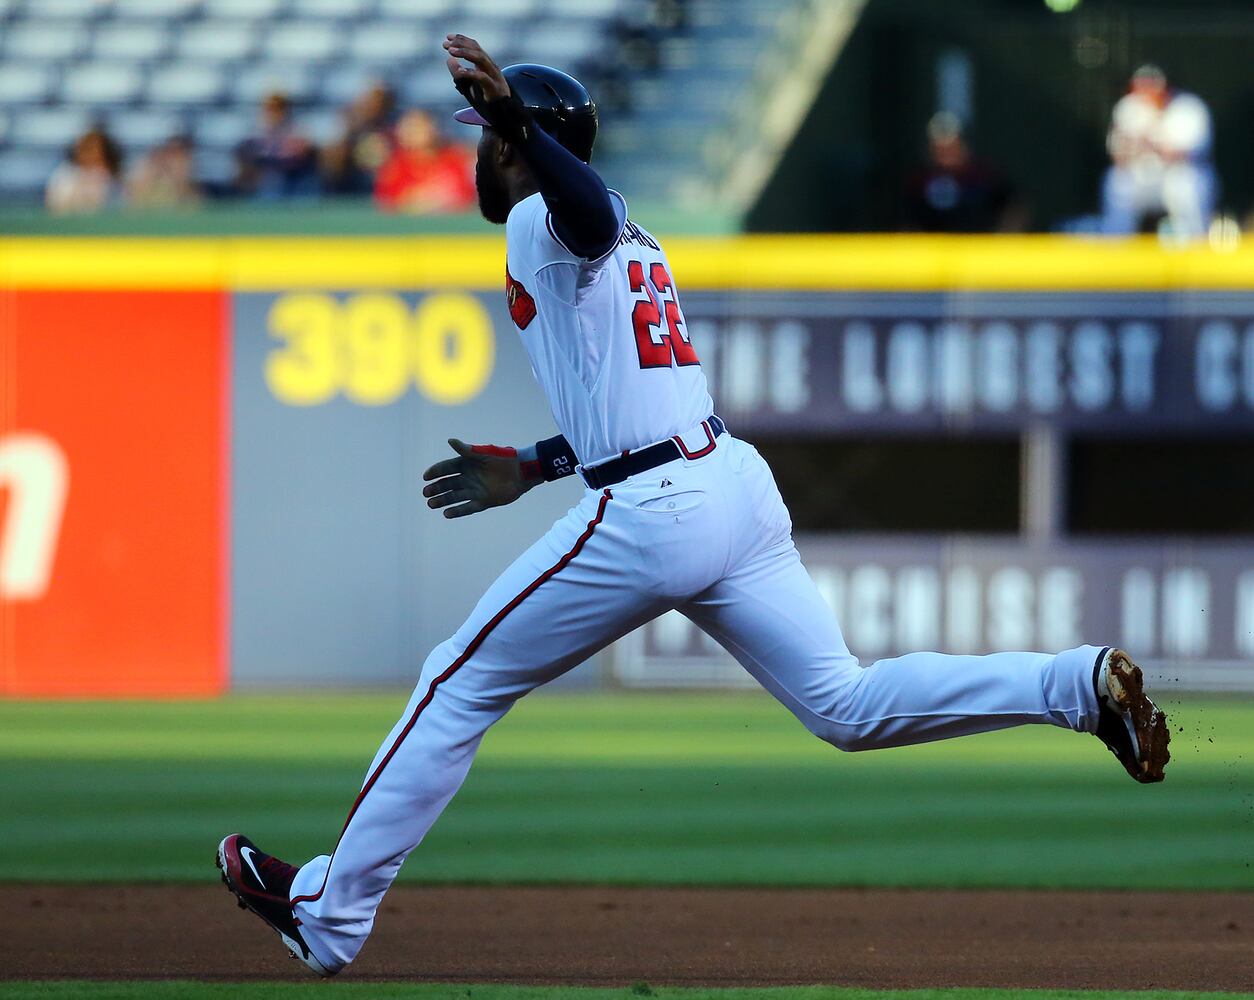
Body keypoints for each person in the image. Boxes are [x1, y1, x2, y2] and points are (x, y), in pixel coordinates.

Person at [216, 36, 1171, 978]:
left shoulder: (550, 216)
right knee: (846, 705)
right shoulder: (633, 232)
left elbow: (584, 215)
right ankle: (1074, 684)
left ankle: (330, 916)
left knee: (457, 682)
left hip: (656, 509)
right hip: (725, 481)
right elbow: (631, 392)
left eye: (489, 134)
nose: (480, 152)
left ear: (515, 142)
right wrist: (541, 464)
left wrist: (518, 123)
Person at [1101, 64, 1215, 238]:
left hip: (1180, 174)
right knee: (1118, 182)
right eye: (1141, 85)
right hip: (1143, 177)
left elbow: (1185, 154)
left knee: (1185, 184)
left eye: (1152, 85)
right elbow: (1118, 156)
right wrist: (1135, 146)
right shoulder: (1128, 106)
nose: (1146, 90)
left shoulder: (1188, 107)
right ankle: (1115, 243)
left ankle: (1196, 242)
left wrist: (1151, 140)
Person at [902, 112, 1022, 232]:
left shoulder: (983, 175)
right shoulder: (921, 180)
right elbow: (908, 221)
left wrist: (1002, 236)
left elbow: (1014, 207)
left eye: (951, 147)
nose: (946, 154)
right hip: (931, 243)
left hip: (979, 242)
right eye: (939, 148)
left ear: (963, 145)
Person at [373, 108, 476, 213]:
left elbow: (466, 197)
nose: (413, 133)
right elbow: (387, 202)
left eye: (418, 127)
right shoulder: (394, 165)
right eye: (409, 127)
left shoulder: (454, 158)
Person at [234, 90, 319, 200]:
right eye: (270, 109)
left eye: (278, 108)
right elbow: (250, 155)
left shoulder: (298, 129)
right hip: (269, 178)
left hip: (296, 177)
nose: (274, 113)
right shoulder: (256, 130)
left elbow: (297, 156)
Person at [321, 82, 397, 196]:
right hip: (352, 182)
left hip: (384, 184)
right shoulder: (350, 124)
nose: (373, 105)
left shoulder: (392, 127)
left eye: (379, 101)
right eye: (370, 101)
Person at [44, 125, 122, 214]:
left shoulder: (115, 177)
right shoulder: (65, 175)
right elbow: (56, 207)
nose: (93, 155)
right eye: (88, 149)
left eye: (99, 151)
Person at [126, 133, 201, 208]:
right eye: (174, 156)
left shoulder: (193, 195)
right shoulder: (152, 186)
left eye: (184, 158)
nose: (179, 163)